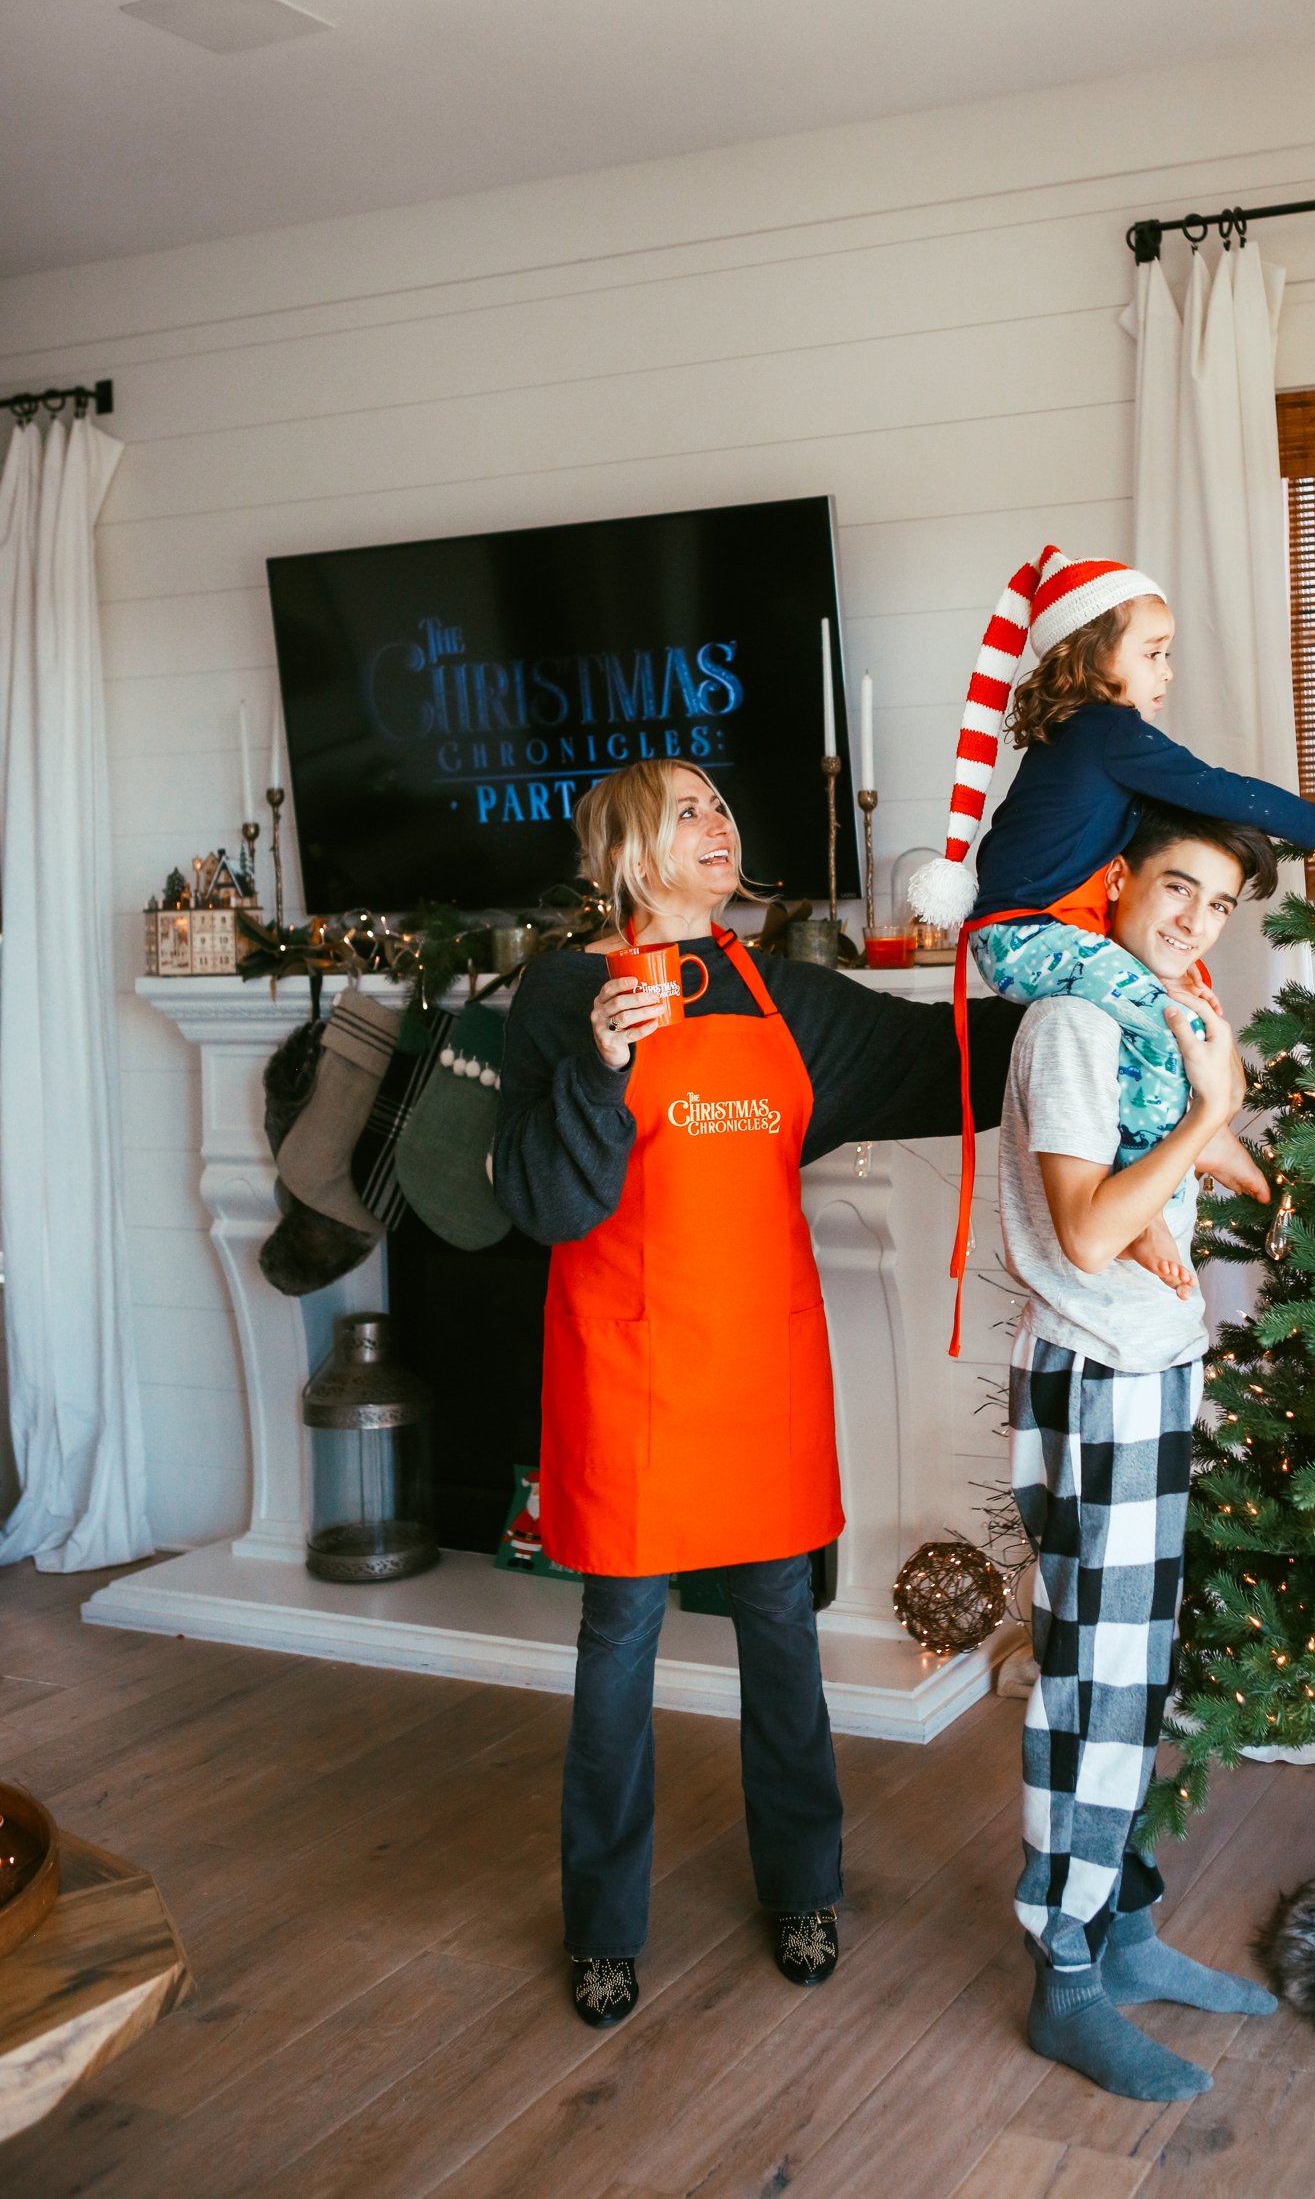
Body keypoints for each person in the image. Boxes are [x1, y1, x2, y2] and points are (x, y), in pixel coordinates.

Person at [492, 757, 1020, 2029]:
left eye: (724, 803)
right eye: (687, 809)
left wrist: (1084, 999)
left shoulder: (780, 992)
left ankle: (803, 1887)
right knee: (617, 1646)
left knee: (781, 1630)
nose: (719, 821)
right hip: (628, 1372)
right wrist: (600, 1072)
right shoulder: (563, 994)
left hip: (760, 1373)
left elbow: (938, 1057)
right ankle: (605, 1924)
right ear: (624, 848)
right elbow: (541, 1200)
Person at [905, 543, 1315, 1340]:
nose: (1165, 673)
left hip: (1029, 936)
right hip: (1026, 939)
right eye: (1153, 655)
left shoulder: (1075, 742)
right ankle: (1157, 1187)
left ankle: (1175, 1163)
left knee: (1156, 1021)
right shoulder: (1104, 731)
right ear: (1093, 657)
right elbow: (1213, 786)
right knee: (1166, 1019)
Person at [998, 803, 1282, 2102]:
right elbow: (1085, 1236)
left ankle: (1119, 1935)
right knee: (1089, 1682)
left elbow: (1206, 1146)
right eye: (1176, 889)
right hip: (1094, 1383)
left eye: (1217, 905)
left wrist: (1271, 1175)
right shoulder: (1067, 1026)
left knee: (1137, 1671)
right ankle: (1063, 1979)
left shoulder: (1156, 1018)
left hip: (1155, 1376)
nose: (1191, 922)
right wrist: (1202, 1116)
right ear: (1118, 879)